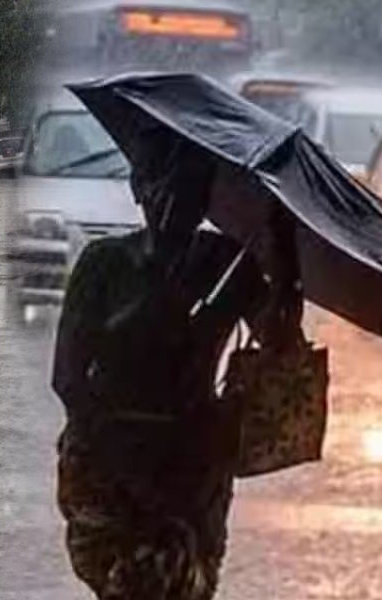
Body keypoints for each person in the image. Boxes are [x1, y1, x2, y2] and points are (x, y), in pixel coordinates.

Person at [52, 144, 302, 600]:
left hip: (192, 463)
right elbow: (68, 377)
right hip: (108, 462)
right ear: (138, 190)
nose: (171, 201)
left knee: (185, 584)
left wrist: (284, 273)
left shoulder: (225, 264)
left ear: (204, 198)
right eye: (160, 185)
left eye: (188, 189)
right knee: (127, 583)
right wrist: (123, 467)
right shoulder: (104, 264)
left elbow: (280, 345)